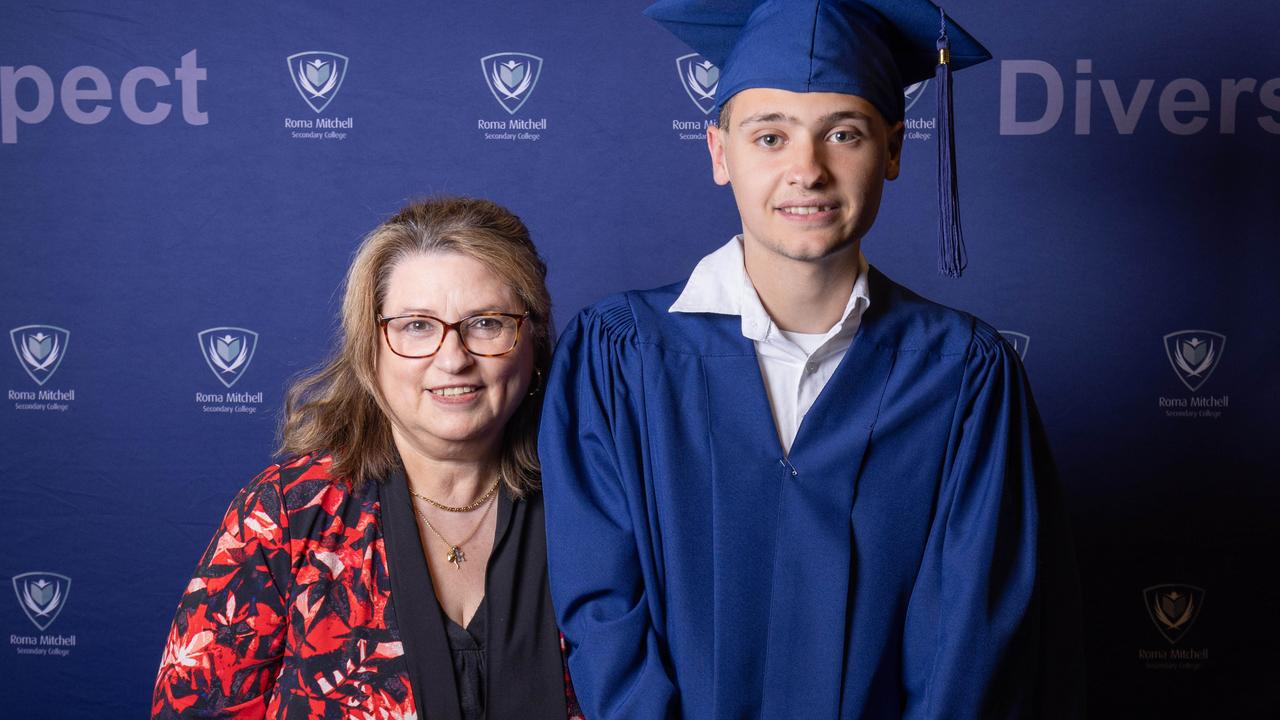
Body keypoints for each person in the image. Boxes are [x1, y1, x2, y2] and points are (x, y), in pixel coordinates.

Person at [539, 1, 1084, 718]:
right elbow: (603, 609)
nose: (808, 169)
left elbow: (971, 636)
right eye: (770, 136)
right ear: (718, 152)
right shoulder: (620, 358)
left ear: (892, 150)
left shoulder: (962, 374)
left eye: (844, 134)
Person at [153, 197, 582, 719]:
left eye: (486, 323)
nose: (453, 359)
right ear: (368, 347)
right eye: (417, 326)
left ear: (531, 340)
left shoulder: (595, 507)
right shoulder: (285, 515)